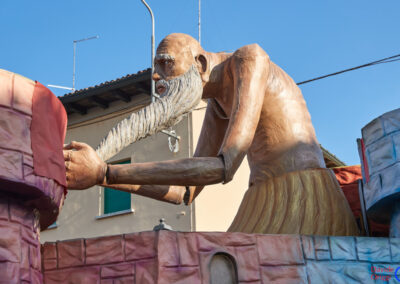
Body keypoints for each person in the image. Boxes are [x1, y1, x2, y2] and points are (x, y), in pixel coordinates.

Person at [64, 33, 358, 235]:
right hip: (263, 195)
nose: (157, 76)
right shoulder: (217, 103)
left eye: (166, 63)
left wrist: (106, 171)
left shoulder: (249, 60)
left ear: (200, 63)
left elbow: (224, 166)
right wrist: (101, 177)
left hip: (302, 194)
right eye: (157, 67)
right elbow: (186, 192)